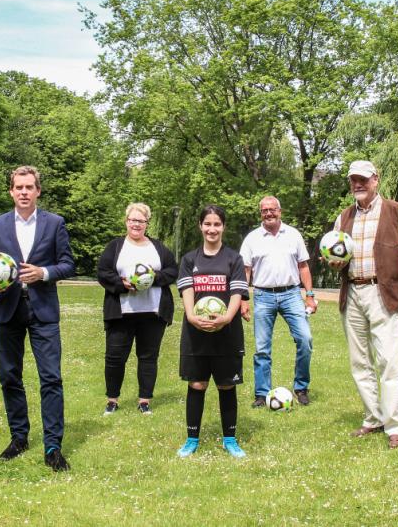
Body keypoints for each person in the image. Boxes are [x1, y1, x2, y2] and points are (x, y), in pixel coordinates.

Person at [0, 166, 76, 472]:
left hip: (43, 310)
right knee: (10, 376)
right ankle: (19, 437)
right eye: (18, 187)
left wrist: (43, 273)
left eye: (29, 187)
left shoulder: (55, 223)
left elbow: (68, 264)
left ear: (38, 191)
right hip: (8, 309)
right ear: (11, 191)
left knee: (51, 377)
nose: (23, 192)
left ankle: (52, 446)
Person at [329, 160, 398, 449]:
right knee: (359, 362)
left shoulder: (395, 211)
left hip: (383, 292)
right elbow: (334, 257)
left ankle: (396, 427)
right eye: (353, 180)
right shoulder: (343, 217)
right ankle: (373, 418)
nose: (358, 184)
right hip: (352, 293)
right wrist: (332, 263)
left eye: (363, 179)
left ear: (375, 180)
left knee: (389, 362)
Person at [175, 205, 249, 459]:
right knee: (197, 383)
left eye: (217, 224)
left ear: (223, 227)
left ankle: (230, 439)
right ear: (200, 226)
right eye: (207, 224)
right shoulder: (189, 260)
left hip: (227, 333)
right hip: (196, 333)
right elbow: (187, 293)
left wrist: (227, 317)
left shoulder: (233, 259)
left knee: (227, 385)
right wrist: (192, 318)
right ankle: (191, 438)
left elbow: (237, 292)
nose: (212, 229)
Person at [96, 203, 178, 415]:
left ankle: (144, 401)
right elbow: (103, 273)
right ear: (126, 221)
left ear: (146, 223)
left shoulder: (157, 247)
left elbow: (172, 271)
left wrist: (152, 279)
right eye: (132, 220)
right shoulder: (115, 246)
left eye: (140, 221)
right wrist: (120, 284)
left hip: (152, 312)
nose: (136, 224)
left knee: (148, 357)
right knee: (115, 358)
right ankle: (112, 400)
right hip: (121, 312)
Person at [240, 196, 316, 408]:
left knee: (305, 339)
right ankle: (262, 393)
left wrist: (309, 295)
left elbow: (303, 266)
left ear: (280, 211)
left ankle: (301, 387)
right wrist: (243, 299)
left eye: (272, 209)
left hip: (291, 294)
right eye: (264, 210)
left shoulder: (293, 234)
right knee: (262, 348)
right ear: (260, 214)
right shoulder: (252, 238)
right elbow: (246, 270)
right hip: (263, 295)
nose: (269, 213)